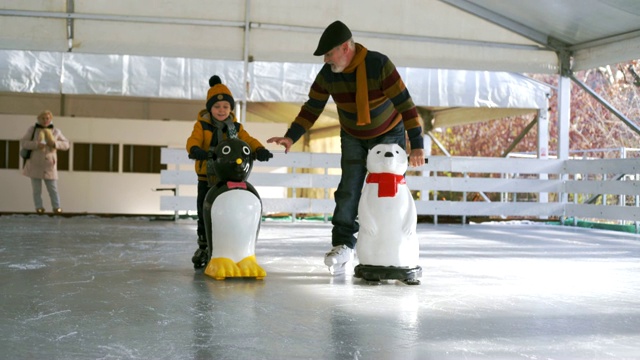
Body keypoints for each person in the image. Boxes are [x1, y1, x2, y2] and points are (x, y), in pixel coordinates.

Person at [267, 21, 426, 275]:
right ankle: (343, 246)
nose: (326, 60)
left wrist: (417, 145)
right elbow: (312, 107)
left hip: (388, 133)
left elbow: (406, 105)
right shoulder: (328, 74)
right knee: (349, 189)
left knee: (389, 190)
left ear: (344, 48)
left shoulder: (379, 65)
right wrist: (290, 137)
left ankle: (397, 243)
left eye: (328, 54)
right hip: (352, 135)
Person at [186, 75, 273, 269]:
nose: (221, 110)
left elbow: (248, 140)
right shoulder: (202, 125)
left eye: (225, 107)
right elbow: (193, 140)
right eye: (217, 107)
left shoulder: (236, 128)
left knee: (230, 211)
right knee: (204, 210)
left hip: (230, 178)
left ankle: (232, 244)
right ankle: (204, 245)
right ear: (210, 108)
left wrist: (259, 150)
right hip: (206, 178)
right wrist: (195, 150)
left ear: (230, 109)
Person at [21, 110, 70, 214]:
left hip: (49, 166)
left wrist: (55, 144)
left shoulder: (56, 131)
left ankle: (57, 208)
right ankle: (39, 208)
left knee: (53, 189)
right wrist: (36, 145)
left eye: (47, 118)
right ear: (39, 119)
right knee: (36, 190)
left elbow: (66, 145)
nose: (45, 120)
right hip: (35, 164)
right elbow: (24, 143)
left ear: (50, 119)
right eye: (43, 118)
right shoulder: (33, 130)